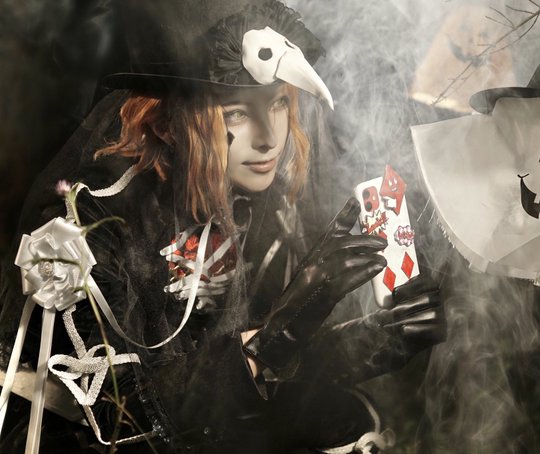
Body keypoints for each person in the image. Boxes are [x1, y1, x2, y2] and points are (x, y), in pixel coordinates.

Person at [0, 1, 446, 452]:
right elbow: (124, 417)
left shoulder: (259, 196)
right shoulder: (82, 223)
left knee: (347, 420)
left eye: (277, 104)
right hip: (83, 441)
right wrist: (278, 331)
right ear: (168, 124)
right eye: (236, 113)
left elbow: (246, 384)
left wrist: (372, 339)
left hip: (203, 430)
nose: (269, 138)